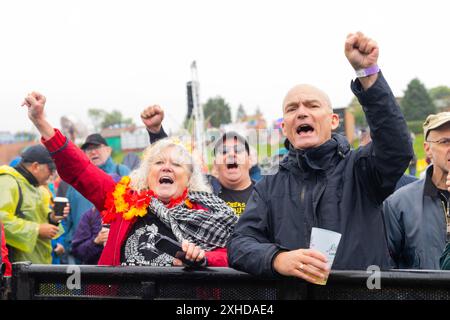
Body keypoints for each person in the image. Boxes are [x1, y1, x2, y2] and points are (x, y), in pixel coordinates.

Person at [227, 32, 413, 284]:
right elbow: (239, 245)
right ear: (285, 127)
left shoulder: (361, 169)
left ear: (333, 120)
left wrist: (368, 74)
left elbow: (397, 148)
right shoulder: (269, 186)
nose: (302, 112)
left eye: (312, 106)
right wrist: (277, 259)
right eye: (292, 109)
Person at [21, 92, 238, 267]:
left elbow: (234, 254)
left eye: (176, 164)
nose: (167, 168)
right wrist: (41, 122)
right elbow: (81, 169)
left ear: (189, 178)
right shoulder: (123, 199)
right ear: (146, 173)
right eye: (159, 163)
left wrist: (203, 257)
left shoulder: (209, 212)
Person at [141, 107, 255, 217]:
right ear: (215, 164)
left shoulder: (264, 193)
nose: (231, 154)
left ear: (250, 160)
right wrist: (156, 132)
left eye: (238, 150)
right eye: (223, 151)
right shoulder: (203, 188)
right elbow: (172, 160)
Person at [384, 112, 450, 269]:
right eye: (445, 141)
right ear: (427, 149)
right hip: (423, 294)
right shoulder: (399, 203)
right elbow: (385, 267)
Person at [58, 133, 130, 264]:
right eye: (88, 149)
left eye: (97, 147)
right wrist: (64, 243)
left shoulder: (123, 172)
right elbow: (65, 219)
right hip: (81, 253)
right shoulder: (76, 183)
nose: (93, 152)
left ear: (108, 149)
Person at [0, 145, 67, 264]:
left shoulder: (37, 188)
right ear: (36, 166)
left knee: (48, 283)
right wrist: (36, 229)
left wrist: (53, 218)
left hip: (41, 266)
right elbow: (2, 220)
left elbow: (40, 219)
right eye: (50, 170)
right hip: (18, 271)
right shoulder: (8, 181)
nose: (52, 175)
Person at [71, 174, 121, 265]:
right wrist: (96, 241)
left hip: (122, 273)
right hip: (95, 273)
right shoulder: (90, 216)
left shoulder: (129, 216)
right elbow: (77, 252)